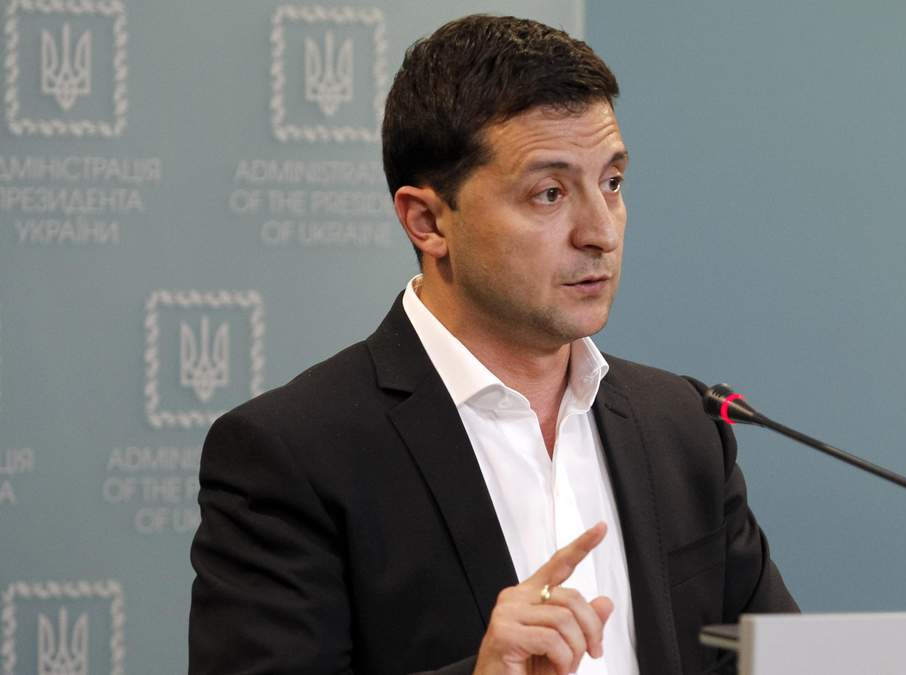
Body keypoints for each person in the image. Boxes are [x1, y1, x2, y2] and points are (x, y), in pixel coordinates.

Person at [189, 14, 796, 675]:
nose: (601, 231)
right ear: (428, 221)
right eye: (549, 193)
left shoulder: (682, 427)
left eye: (613, 182)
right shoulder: (294, 455)